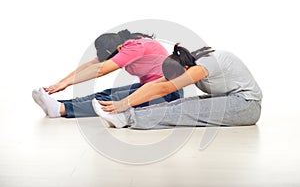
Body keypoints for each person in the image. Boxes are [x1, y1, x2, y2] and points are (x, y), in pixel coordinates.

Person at [92, 43, 263, 129]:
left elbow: (164, 88)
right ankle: (123, 115)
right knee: (180, 104)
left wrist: (123, 105)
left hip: (246, 106)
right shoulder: (186, 62)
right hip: (230, 99)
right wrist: (122, 103)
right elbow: (154, 85)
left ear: (186, 69)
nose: (176, 82)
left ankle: (125, 119)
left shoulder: (203, 66)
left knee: (184, 110)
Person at [32, 30, 182, 118]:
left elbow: (100, 69)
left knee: (113, 99)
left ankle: (61, 110)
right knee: (106, 93)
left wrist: (68, 83)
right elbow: (90, 65)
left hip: (167, 93)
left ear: (118, 48)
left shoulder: (134, 47)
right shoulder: (121, 45)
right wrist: (61, 82)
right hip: (151, 87)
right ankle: (60, 104)